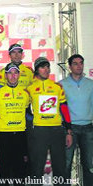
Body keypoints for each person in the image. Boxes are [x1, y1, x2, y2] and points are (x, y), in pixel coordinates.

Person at [26, 57, 73, 185]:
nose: (46, 69)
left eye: (47, 67)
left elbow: (64, 109)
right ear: (36, 70)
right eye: (42, 67)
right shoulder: (29, 89)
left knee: (60, 167)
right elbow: (26, 112)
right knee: (37, 167)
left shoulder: (57, 87)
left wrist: (69, 131)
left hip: (57, 130)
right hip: (39, 131)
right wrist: (32, 126)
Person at [0, 63, 30, 185]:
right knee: (4, 168)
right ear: (6, 75)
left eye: (15, 73)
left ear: (19, 75)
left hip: (20, 135)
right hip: (4, 135)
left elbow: (28, 114)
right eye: (10, 73)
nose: (13, 76)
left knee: (21, 169)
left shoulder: (25, 94)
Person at [59, 54, 93, 186]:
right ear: (69, 67)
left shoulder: (90, 84)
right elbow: (59, 109)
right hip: (70, 129)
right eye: (75, 63)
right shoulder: (61, 85)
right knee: (66, 164)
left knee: (89, 164)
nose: (79, 66)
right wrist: (65, 128)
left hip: (88, 128)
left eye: (81, 63)